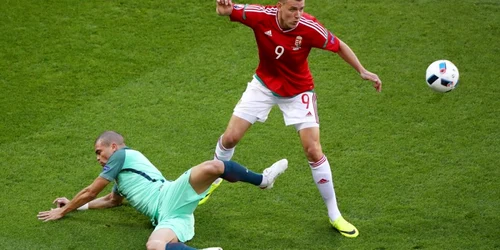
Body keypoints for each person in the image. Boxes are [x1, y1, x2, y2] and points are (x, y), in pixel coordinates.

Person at [200, 0, 383, 238]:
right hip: (263, 86)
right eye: (292, 9)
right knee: (230, 138)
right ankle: (215, 178)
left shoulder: (309, 27)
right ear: (279, 6)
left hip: (299, 92)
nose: (298, 14)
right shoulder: (260, 15)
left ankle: (334, 214)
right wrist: (223, 10)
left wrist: (362, 70)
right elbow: (228, 9)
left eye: (301, 8)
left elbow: (339, 46)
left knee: (313, 150)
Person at [37, 131, 288, 250]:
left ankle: (262, 180)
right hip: (168, 216)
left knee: (212, 166)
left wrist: (64, 212)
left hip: (170, 194)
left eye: (99, 152)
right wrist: (75, 205)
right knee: (154, 246)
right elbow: (112, 200)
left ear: (113, 147)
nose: (98, 158)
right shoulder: (122, 175)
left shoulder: (121, 156)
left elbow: (91, 191)